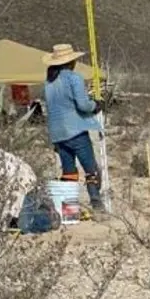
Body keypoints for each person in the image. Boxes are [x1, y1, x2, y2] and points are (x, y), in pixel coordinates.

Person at [42, 43, 103, 216]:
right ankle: (96, 203)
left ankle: (69, 209)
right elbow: (83, 105)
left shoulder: (49, 82)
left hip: (57, 134)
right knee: (90, 169)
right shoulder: (73, 78)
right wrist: (96, 105)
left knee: (68, 171)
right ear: (71, 62)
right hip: (75, 130)